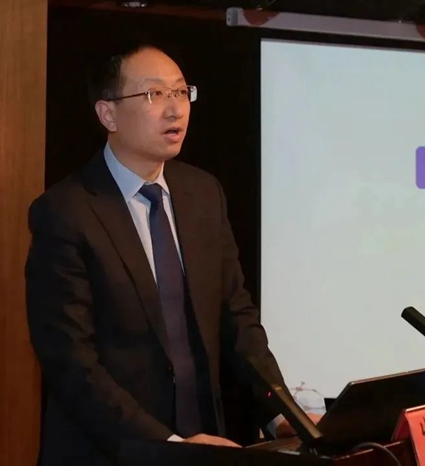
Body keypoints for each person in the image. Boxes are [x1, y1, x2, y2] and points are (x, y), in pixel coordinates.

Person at [25, 41, 315, 465]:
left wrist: (283, 414)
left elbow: (237, 318)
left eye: (181, 92)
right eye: (154, 94)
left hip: (208, 446)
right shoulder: (66, 212)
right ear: (108, 114)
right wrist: (170, 447)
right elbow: (71, 361)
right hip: (111, 453)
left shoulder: (203, 194)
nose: (175, 109)